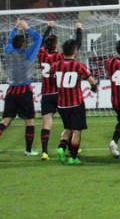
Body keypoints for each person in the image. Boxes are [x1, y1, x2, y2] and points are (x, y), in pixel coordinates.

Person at [37, 20, 82, 160]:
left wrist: (48, 28)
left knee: (46, 123)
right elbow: (76, 46)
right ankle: (70, 149)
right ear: (56, 45)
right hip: (60, 94)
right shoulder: (60, 57)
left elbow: (42, 41)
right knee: (68, 124)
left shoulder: (41, 54)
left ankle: (44, 152)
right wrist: (79, 30)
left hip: (46, 93)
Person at [0, 19, 43, 157]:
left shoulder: (8, 51)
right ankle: (29, 150)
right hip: (24, 91)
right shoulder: (28, 54)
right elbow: (39, 38)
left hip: (11, 91)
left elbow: (9, 41)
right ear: (23, 45)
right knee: (29, 121)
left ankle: (29, 150)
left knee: (6, 120)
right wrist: (27, 28)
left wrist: (15, 28)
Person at [52, 38, 99, 165]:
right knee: (77, 130)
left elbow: (52, 76)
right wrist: (94, 88)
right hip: (76, 103)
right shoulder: (79, 66)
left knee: (68, 128)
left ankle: (61, 148)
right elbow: (92, 81)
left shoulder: (56, 65)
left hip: (62, 104)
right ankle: (73, 157)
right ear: (75, 51)